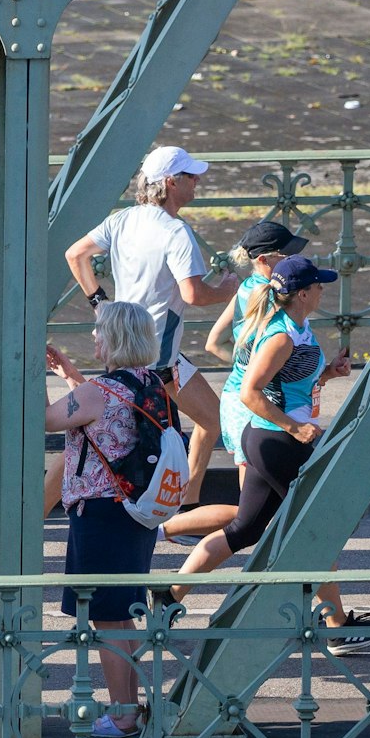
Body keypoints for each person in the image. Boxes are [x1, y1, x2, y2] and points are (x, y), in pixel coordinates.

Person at [172, 257, 370, 655]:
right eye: (318, 285)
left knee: (245, 529)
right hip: (275, 443)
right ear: (302, 294)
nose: (322, 290)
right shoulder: (281, 335)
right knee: (318, 530)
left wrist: (328, 373)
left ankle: (166, 596)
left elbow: (289, 381)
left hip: (269, 441)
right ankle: (334, 628)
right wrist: (294, 428)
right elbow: (250, 392)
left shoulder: (297, 327)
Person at [64, 146, 239, 511]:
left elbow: (75, 254)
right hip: (155, 357)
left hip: (129, 346)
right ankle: (173, 511)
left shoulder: (123, 220)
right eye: (192, 176)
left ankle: (184, 507)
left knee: (210, 419)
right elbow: (192, 293)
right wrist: (226, 290)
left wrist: (100, 303)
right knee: (184, 426)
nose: (198, 181)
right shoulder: (176, 232)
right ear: (172, 183)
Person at [44, 301, 178, 738]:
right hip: (136, 512)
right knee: (122, 616)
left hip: (98, 514)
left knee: (106, 619)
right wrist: (70, 377)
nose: (94, 338)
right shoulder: (151, 384)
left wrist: (33, 379)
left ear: (115, 338)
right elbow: (103, 414)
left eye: (100, 331)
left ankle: (121, 714)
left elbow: (44, 419)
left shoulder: (97, 392)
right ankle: (130, 707)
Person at [206, 220, 306, 483]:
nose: (294, 259)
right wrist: (261, 374)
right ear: (263, 259)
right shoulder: (270, 296)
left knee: (257, 493)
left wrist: (249, 370)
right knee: (252, 497)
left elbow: (214, 342)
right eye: (287, 255)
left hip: (237, 395)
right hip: (250, 402)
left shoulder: (247, 287)